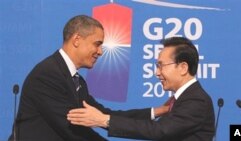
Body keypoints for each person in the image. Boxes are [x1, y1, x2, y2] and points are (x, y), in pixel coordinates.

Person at [8, 15, 169, 141]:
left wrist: (156, 111)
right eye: (97, 44)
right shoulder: (47, 75)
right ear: (77, 40)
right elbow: (71, 129)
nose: (100, 51)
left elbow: (104, 114)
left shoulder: (76, 80)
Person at [67, 37, 215, 141]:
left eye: (161, 65)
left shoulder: (196, 100)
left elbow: (160, 131)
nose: (157, 72)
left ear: (183, 67)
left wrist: (104, 120)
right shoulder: (183, 99)